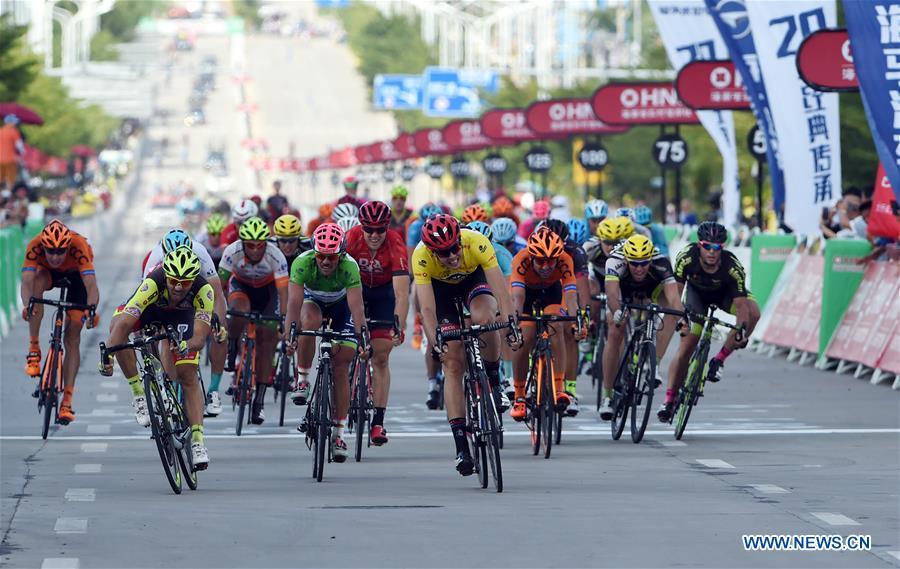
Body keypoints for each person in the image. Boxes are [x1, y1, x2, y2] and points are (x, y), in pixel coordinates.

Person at [412, 214, 520, 476]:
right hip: (441, 291)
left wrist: (510, 325)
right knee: (452, 362)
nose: (451, 255)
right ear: (431, 251)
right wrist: (435, 338)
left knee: (485, 318)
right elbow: (427, 309)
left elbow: (502, 293)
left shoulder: (476, 242)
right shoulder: (421, 256)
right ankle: (461, 445)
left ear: (460, 240)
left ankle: (493, 380)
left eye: (454, 248)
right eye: (443, 252)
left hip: (474, 279)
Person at [102, 246, 212, 469]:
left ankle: (198, 442)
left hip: (183, 315)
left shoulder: (204, 290)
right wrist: (108, 355)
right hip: (151, 309)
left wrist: (185, 345)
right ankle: (138, 393)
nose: (178, 287)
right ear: (166, 276)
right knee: (117, 326)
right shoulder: (153, 281)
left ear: (194, 279)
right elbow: (123, 324)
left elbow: (199, 338)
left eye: (185, 282)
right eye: (173, 281)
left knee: (188, 375)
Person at [659, 222, 760, 421]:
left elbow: (741, 307)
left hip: (725, 296)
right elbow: (676, 295)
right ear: (699, 245)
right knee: (687, 346)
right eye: (707, 246)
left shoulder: (733, 267)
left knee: (753, 313)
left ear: (723, 248)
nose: (712, 252)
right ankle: (669, 399)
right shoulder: (686, 258)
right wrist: (681, 319)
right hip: (697, 297)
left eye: (717, 248)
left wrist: (741, 330)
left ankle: (719, 359)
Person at [285, 223, 368, 463]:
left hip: (343, 309)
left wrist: (362, 337)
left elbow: (357, 307)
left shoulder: (350, 267)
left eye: (331, 257)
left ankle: (339, 434)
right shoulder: (302, 263)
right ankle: (302, 379)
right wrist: (290, 335)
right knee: (309, 320)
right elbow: (293, 304)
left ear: (340, 254)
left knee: (341, 365)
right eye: (321, 255)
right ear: (314, 252)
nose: (326, 261)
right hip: (313, 303)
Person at [141, 228, 229, 417]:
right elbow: (144, 299)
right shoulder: (155, 256)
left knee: (221, 333)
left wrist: (219, 324)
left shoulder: (200, 252)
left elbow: (217, 294)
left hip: (193, 293)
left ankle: (213, 391)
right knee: (160, 335)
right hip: (165, 295)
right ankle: (163, 382)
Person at [343, 201, 410, 445]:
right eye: (368, 229)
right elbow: (338, 280)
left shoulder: (395, 242)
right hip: (355, 291)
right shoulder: (351, 239)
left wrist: (398, 327)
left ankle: (378, 422)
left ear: (387, 227)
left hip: (383, 294)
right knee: (344, 350)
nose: (374, 235)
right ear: (361, 227)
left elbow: (402, 294)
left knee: (381, 357)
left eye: (379, 230)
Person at [21, 220, 99, 424]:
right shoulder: (35, 244)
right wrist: (27, 305)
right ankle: (34, 350)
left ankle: (67, 402)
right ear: (43, 246)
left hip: (76, 279)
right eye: (50, 251)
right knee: (35, 289)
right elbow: (26, 282)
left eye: (60, 251)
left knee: (72, 336)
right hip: (48, 275)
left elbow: (91, 285)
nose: (55, 256)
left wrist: (91, 311)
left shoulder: (79, 246)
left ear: (67, 247)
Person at [600, 234, 684, 420]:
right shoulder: (615, 261)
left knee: (673, 313)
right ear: (627, 259)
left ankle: (654, 364)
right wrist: (617, 312)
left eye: (644, 263)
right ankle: (607, 395)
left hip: (650, 289)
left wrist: (681, 318)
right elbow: (612, 294)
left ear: (650, 259)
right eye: (634, 264)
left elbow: (673, 298)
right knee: (615, 329)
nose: (639, 268)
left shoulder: (661, 262)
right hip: (623, 290)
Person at [509, 228, 584, 421]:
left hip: (552, 292)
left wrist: (577, 322)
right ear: (532, 257)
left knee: (556, 326)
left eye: (551, 261)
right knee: (524, 335)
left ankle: (559, 389)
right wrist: (514, 323)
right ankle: (519, 396)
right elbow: (517, 297)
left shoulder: (565, 259)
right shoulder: (521, 259)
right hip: (526, 293)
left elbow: (571, 297)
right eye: (540, 261)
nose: (546, 266)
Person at [218, 217, 289, 425]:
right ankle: (232, 346)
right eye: (251, 245)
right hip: (242, 288)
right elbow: (218, 285)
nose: (256, 250)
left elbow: (284, 293)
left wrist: (283, 319)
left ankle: (258, 402)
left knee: (267, 342)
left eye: (260, 245)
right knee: (238, 311)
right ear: (242, 243)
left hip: (268, 293)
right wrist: (220, 313)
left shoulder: (276, 256)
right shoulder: (232, 251)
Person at [0, 115, 23, 188]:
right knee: (10, 179)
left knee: (1, 178)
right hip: (10, 159)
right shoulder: (14, 131)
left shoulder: (0, 131)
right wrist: (22, 154)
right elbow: (20, 146)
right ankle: (7, 194)